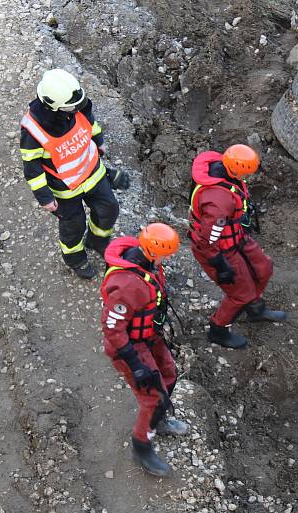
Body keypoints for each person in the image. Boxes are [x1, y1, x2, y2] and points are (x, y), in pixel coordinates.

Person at [19, 69, 130, 279]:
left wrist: (99, 142)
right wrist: (44, 196)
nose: (77, 108)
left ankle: (97, 240)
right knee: (73, 226)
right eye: (72, 107)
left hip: (93, 174)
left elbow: (89, 124)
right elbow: (32, 168)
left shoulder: (76, 105)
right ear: (52, 106)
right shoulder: (33, 131)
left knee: (109, 209)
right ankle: (75, 259)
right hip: (64, 191)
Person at [101, 223, 189, 477]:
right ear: (153, 250)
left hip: (150, 335)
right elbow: (113, 329)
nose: (169, 259)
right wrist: (136, 365)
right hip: (129, 345)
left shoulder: (148, 264)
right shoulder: (128, 285)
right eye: (167, 254)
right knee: (153, 397)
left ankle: (158, 420)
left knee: (169, 373)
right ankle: (142, 446)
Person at [188, 144, 286, 349]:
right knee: (239, 293)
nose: (249, 177)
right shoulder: (218, 200)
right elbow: (207, 240)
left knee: (263, 268)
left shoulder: (225, 174)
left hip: (237, 238)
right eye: (247, 173)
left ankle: (255, 309)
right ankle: (218, 330)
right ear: (238, 169)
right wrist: (219, 264)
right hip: (219, 250)